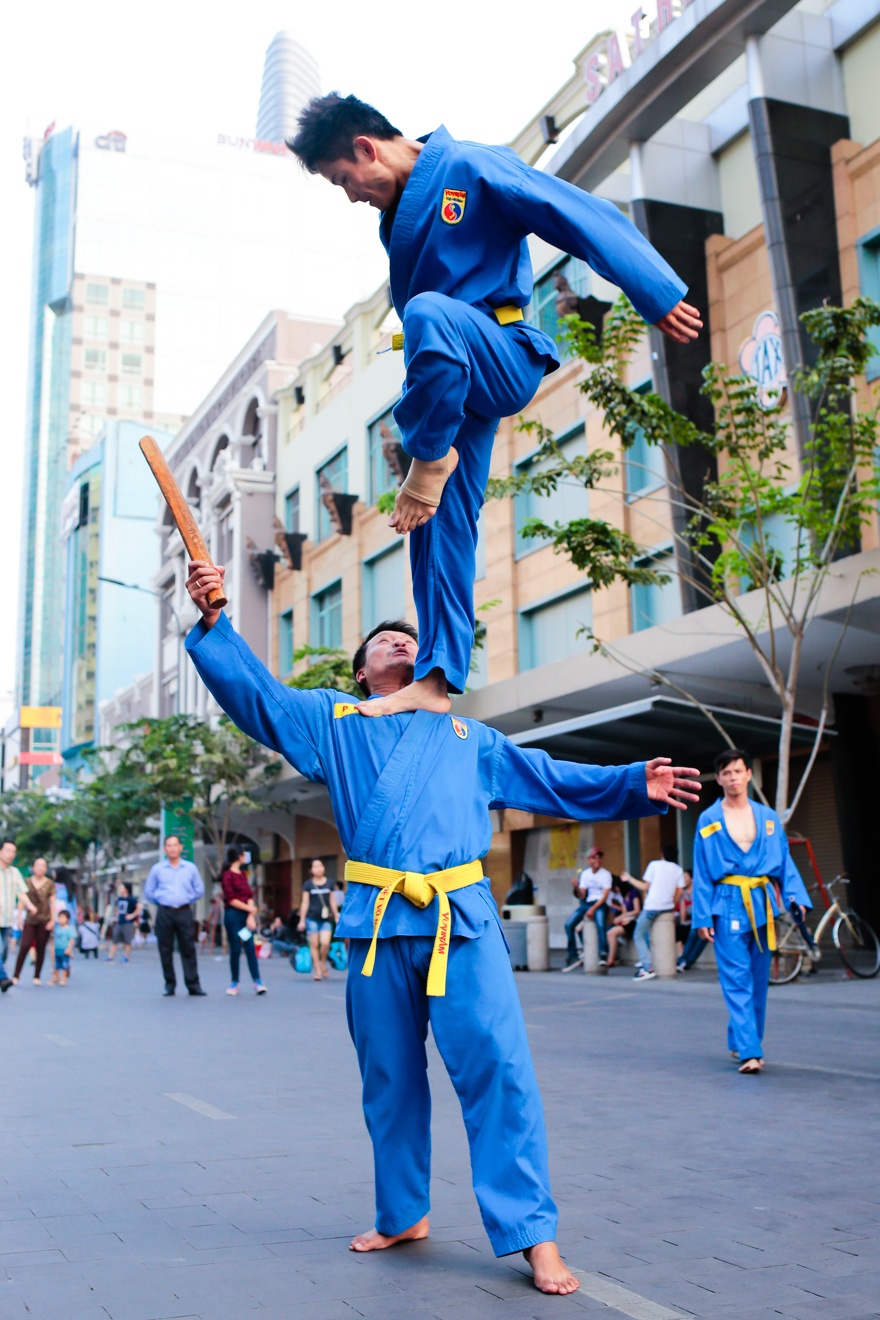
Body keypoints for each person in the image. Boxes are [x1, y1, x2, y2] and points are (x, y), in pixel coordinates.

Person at [183, 559, 700, 1295]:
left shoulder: (471, 739)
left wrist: (627, 783)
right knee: (388, 1079)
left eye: (410, 637)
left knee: (499, 1070)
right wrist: (214, 622)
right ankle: (403, 1211)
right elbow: (259, 698)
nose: (400, 641)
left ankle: (533, 1234)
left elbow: (550, 777)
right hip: (372, 927)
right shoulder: (337, 720)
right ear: (361, 671)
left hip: (461, 925)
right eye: (385, 639)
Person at [287, 95, 702, 720]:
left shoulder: (473, 166)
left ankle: (428, 459)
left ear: (367, 148)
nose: (351, 196)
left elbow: (575, 213)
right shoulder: (396, 214)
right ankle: (437, 675)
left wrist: (651, 288)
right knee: (436, 530)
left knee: (426, 311)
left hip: (502, 352)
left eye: (345, 180)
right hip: (453, 375)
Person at [692, 748, 811, 1074]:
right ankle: (750, 1052)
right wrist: (701, 916)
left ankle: (740, 1039)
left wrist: (795, 897)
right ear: (718, 779)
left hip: (762, 905)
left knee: (758, 979)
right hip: (726, 904)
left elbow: (784, 863)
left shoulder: (769, 818)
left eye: (738, 771)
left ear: (749, 774)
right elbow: (701, 870)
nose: (733, 778)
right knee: (736, 978)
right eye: (726, 773)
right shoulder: (709, 819)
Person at [144, 835, 206, 997]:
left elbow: (199, 890)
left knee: (188, 948)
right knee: (165, 949)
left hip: (184, 911)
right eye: (168, 846)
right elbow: (149, 892)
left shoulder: (190, 868)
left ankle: (193, 984)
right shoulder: (157, 869)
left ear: (180, 848)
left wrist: (186, 899)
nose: (172, 848)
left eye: (175, 845)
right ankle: (170, 984)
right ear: (165, 849)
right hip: (164, 912)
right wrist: (162, 901)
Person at [625, 845, 684, 981]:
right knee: (645, 932)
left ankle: (647, 967)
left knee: (638, 934)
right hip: (667, 907)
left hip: (652, 906)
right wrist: (673, 903)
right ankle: (647, 958)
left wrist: (629, 878)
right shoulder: (678, 869)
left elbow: (645, 886)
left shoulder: (654, 865)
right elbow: (680, 891)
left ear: (662, 854)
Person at [221, 845, 267, 996]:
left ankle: (257, 981)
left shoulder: (242, 874)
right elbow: (230, 899)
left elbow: (249, 896)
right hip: (233, 916)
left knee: (249, 946)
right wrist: (250, 910)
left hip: (245, 917)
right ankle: (234, 982)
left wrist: (251, 916)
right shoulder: (227, 875)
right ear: (239, 856)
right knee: (235, 947)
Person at [563, 848, 611, 969]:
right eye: (594, 858)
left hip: (599, 903)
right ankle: (572, 954)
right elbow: (582, 895)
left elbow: (604, 896)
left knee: (600, 924)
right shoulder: (585, 874)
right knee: (569, 924)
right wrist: (576, 886)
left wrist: (593, 909)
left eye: (599, 857)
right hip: (587, 903)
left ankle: (603, 953)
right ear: (589, 860)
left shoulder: (606, 874)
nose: (597, 860)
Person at [12, 857, 57, 986]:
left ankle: (37, 976)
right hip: (30, 919)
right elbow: (22, 899)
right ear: (33, 867)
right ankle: (16, 976)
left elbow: (52, 903)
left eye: (43, 865)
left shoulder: (49, 883)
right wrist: (19, 916)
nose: (40, 868)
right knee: (25, 946)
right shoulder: (26, 882)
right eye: (38, 865)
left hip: (44, 919)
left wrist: (53, 920)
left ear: (46, 868)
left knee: (41, 948)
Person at [297, 859, 340, 981]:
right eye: (315, 867)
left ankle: (322, 962)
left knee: (325, 943)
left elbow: (332, 900)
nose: (319, 868)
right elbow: (305, 903)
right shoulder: (308, 885)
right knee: (314, 944)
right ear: (311, 870)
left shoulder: (330, 883)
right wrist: (302, 920)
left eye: (320, 866)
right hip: (312, 918)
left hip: (326, 918)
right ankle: (317, 969)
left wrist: (336, 914)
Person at [0, 838, 27, 992]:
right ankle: (3, 978)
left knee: (3, 952)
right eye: (8, 850)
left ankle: (0, 973)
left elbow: (21, 893)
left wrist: (29, 906)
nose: (11, 854)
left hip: (7, 919)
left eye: (13, 852)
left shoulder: (15, 872)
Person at [605, 879, 641, 970]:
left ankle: (610, 959)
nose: (617, 889)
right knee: (610, 931)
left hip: (635, 921)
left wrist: (623, 917)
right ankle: (611, 957)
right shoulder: (624, 896)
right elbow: (624, 912)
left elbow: (637, 910)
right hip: (627, 921)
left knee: (611, 933)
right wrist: (620, 919)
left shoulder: (633, 893)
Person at [106, 880, 141, 962]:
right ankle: (110, 956)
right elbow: (116, 908)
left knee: (127, 941)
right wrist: (116, 915)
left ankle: (126, 956)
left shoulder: (131, 899)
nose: (119, 888)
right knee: (114, 940)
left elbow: (139, 906)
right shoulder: (119, 899)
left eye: (121, 887)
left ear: (126, 889)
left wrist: (132, 915)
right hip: (119, 922)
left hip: (128, 923)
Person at [50, 909, 75, 986]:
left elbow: (71, 940)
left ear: (68, 919)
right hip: (57, 949)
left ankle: (64, 978)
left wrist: (69, 949)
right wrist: (53, 948)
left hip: (65, 950)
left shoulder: (69, 929)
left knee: (65, 965)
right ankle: (56, 977)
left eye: (63, 917)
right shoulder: (57, 929)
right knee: (57, 964)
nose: (61, 919)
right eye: (59, 917)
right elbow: (54, 939)